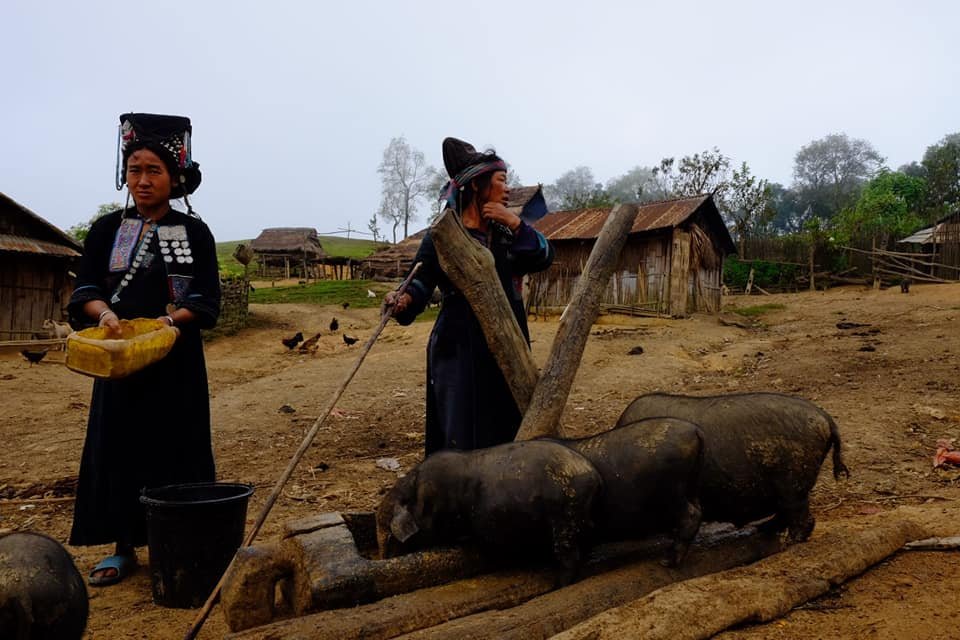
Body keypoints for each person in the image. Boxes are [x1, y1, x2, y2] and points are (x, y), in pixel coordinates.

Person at [67, 113, 221, 586]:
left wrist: (168, 321)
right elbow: (86, 287)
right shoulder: (105, 230)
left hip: (175, 365)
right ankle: (122, 545)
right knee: (120, 449)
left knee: (177, 447)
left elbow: (206, 298)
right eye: (135, 169)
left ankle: (181, 539)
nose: (143, 180)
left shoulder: (195, 234)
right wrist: (106, 316)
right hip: (120, 365)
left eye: (154, 170)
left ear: (174, 178)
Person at [386, 137, 554, 455]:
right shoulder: (444, 235)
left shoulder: (506, 236)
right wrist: (402, 299)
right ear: (477, 186)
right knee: (460, 438)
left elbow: (544, 257)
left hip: (507, 346)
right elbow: (419, 284)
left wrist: (515, 223)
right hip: (458, 351)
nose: (507, 189)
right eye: (502, 181)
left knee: (506, 430)